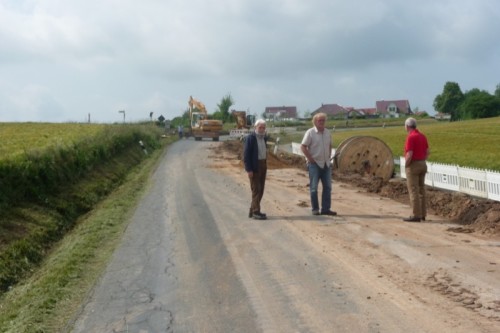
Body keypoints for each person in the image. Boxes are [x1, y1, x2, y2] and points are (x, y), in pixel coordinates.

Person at [300, 113, 337, 216]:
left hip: (326, 164)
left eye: (323, 120)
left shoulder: (328, 133)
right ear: (315, 121)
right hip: (314, 164)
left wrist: (329, 158)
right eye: (319, 120)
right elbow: (303, 147)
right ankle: (315, 209)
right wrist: (310, 159)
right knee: (313, 188)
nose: (321, 122)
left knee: (328, 187)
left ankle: (326, 209)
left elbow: (329, 145)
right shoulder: (310, 133)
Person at [403, 117, 430, 222]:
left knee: (413, 190)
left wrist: (406, 165)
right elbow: (427, 151)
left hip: (413, 165)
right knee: (421, 189)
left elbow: (409, 154)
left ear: (407, 126)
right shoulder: (422, 136)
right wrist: (422, 160)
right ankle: (423, 214)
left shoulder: (410, 137)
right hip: (423, 163)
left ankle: (416, 215)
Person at [244, 119, 268, 220]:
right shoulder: (251, 138)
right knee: (256, 189)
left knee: (261, 189)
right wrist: (249, 169)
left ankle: (252, 209)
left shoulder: (264, 138)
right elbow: (246, 155)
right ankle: (255, 212)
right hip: (254, 166)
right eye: (260, 127)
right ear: (255, 127)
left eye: (263, 127)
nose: (262, 129)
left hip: (263, 164)